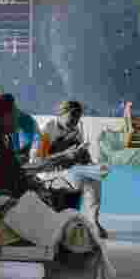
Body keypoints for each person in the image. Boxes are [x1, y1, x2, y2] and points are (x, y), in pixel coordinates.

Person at [33, 99, 108, 238]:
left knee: (95, 176)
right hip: (48, 175)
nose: (74, 121)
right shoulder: (47, 131)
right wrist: (65, 155)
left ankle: (93, 220)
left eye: (77, 118)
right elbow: (38, 161)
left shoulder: (75, 130)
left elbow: (80, 155)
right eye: (71, 117)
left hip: (67, 173)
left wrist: (87, 160)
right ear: (61, 114)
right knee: (87, 177)